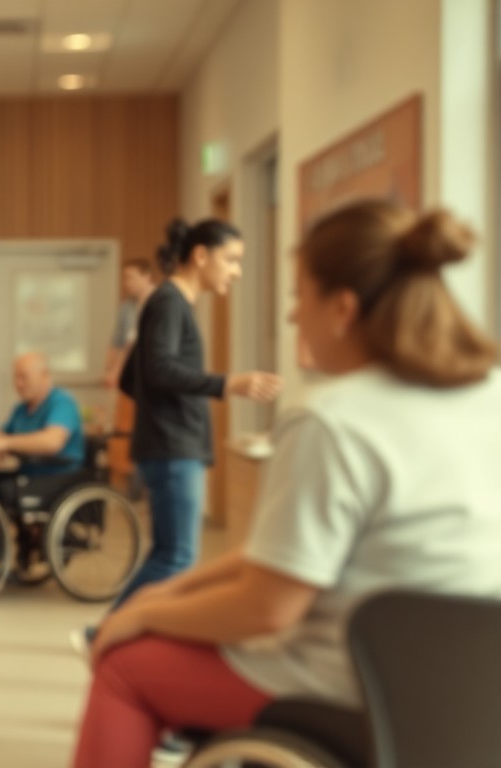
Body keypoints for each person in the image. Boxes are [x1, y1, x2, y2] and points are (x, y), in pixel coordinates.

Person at [72, 201, 501, 767]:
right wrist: (164, 595)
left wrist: (145, 615)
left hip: (353, 685)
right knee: (172, 561)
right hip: (474, 693)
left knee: (125, 666)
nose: (294, 316)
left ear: (344, 308)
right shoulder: (488, 395)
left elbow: (268, 608)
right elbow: (275, 559)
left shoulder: (333, 420)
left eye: (302, 296)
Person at [109, 218, 281, 612]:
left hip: (170, 444)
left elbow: (134, 377)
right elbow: (157, 370)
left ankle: (112, 633)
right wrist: (226, 384)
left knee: (171, 553)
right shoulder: (169, 302)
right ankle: (107, 633)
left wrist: (167, 405)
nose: (237, 272)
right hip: (172, 448)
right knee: (176, 556)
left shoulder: (169, 304)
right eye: (232, 260)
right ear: (201, 256)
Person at [0, 352, 85, 514]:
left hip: (59, 477)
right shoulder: (21, 409)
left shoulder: (63, 403)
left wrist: (6, 443)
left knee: (1, 489)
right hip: (29, 474)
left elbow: (52, 442)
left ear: (44, 375)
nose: (18, 384)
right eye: (16, 378)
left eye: (23, 377)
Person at [103, 259, 157, 388]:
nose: (127, 283)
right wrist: (109, 370)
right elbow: (118, 341)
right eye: (125, 279)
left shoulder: (160, 303)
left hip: (152, 372)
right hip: (131, 376)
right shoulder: (126, 307)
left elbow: (133, 340)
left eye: (131, 278)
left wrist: (117, 370)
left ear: (147, 277)